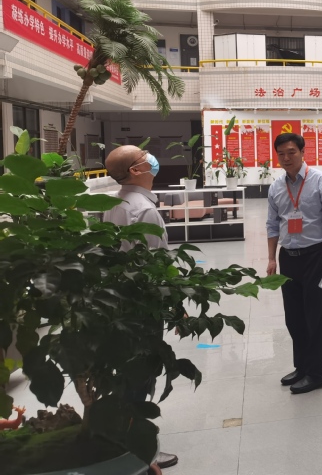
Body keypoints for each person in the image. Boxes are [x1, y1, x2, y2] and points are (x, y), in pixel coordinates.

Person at [104, 146, 178, 474]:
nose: (151, 157)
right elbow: (155, 267)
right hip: (143, 305)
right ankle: (140, 453)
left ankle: (126, 442)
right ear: (136, 170)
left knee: (130, 374)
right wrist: (174, 302)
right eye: (144, 155)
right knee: (142, 376)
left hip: (122, 302)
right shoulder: (143, 210)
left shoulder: (115, 204)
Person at [266, 132, 322, 394]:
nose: (286, 158)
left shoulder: (320, 182)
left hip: (316, 257)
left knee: (315, 317)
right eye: (281, 154)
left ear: (302, 152)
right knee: (294, 318)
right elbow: (272, 225)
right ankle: (302, 367)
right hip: (288, 258)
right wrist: (271, 258)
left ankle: (317, 373)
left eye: (291, 152)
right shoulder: (276, 187)